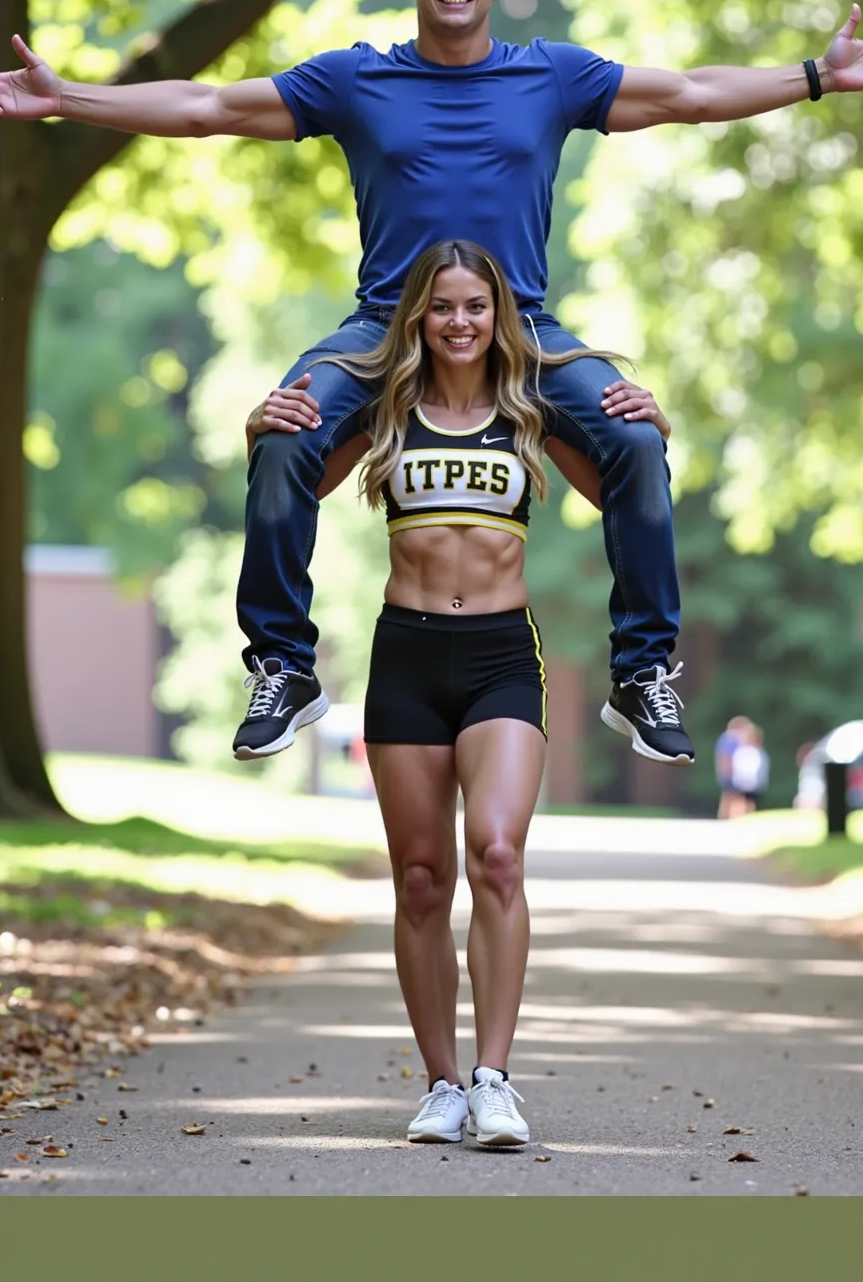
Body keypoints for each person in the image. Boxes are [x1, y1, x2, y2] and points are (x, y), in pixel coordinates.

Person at [0, 0, 863, 772]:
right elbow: (210, 108)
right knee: (284, 434)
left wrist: (813, 75)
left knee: (636, 439)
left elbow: (686, 95)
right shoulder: (356, 81)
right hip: (382, 331)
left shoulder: (551, 78)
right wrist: (67, 96)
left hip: (526, 331)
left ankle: (642, 673)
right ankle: (282, 668)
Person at [259, 237, 650, 1147]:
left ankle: (494, 1080)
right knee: (423, 879)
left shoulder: (530, 412)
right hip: (405, 656)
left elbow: (626, 482)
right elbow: (293, 481)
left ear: (497, 316)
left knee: (499, 857)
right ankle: (440, 1084)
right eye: (443, 307)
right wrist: (265, 427)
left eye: (476, 306)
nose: (461, 321)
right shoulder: (388, 409)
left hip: (502, 658)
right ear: (419, 320)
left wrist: (642, 422)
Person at [715, 714, 751, 820]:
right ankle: (731, 818)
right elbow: (726, 757)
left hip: (730, 773)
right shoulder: (729, 739)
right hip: (730, 773)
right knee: (733, 797)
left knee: (730, 797)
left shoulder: (728, 739)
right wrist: (728, 771)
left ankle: (727, 818)